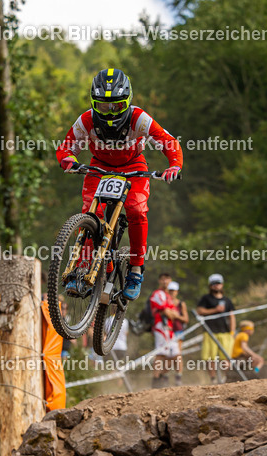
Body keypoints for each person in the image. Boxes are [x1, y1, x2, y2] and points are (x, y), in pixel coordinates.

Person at [56, 68, 183, 301]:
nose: (110, 111)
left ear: (128, 101)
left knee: (136, 210)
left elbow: (168, 142)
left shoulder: (139, 118)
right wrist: (69, 160)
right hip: (99, 167)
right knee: (91, 214)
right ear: (94, 103)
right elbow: (66, 147)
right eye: (103, 105)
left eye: (116, 105)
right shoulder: (86, 120)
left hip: (133, 168)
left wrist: (174, 165)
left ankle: (136, 269)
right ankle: (83, 264)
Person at [196, 273, 235, 382]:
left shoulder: (227, 300)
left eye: (218, 283)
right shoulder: (206, 298)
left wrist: (232, 331)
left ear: (222, 284)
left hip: (225, 332)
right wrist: (215, 310)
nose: (216, 286)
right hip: (210, 332)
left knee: (225, 357)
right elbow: (199, 311)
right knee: (210, 358)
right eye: (213, 284)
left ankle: (227, 378)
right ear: (210, 285)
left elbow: (232, 316)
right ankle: (213, 379)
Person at [149, 273, 184, 387]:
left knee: (176, 354)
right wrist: (172, 314)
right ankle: (156, 380)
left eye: (167, 279)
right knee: (161, 354)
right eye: (163, 279)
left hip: (169, 329)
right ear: (159, 280)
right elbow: (167, 312)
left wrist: (172, 314)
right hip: (160, 327)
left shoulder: (168, 296)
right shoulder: (158, 294)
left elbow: (174, 314)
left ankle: (169, 377)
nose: (165, 281)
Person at [167, 281, 188, 385]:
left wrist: (176, 316)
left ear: (177, 292)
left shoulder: (181, 304)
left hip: (178, 331)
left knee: (178, 355)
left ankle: (178, 376)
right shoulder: (165, 302)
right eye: (170, 290)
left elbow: (186, 319)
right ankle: (165, 376)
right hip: (167, 331)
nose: (172, 292)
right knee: (168, 356)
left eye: (173, 291)